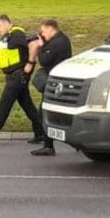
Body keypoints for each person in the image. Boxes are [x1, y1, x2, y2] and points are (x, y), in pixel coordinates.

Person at [0, 14, 44, 147]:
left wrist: (30, 63)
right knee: (28, 106)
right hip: (15, 76)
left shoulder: (17, 35)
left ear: (7, 23)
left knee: (4, 105)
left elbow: (34, 43)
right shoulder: (8, 37)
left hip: (17, 76)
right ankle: (40, 133)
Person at [29, 19, 73, 156]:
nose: (42, 34)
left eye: (43, 31)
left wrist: (41, 46)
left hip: (55, 83)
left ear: (50, 28)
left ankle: (49, 146)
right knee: (51, 111)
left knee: (44, 112)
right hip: (59, 82)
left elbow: (43, 60)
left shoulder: (58, 43)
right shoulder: (61, 39)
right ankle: (52, 143)